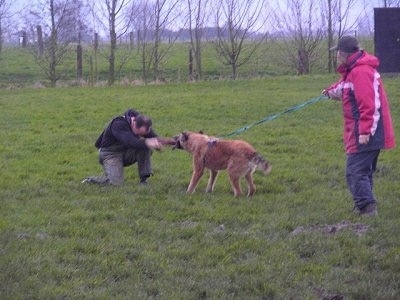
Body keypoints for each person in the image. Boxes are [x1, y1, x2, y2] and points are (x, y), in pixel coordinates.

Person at [322, 36, 395, 216]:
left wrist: (365, 132)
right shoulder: (354, 70)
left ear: (343, 53)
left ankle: (367, 209)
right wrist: (330, 92)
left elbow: (369, 105)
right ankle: (367, 207)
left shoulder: (361, 72)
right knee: (363, 171)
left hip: (367, 131)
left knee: (355, 171)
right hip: (364, 129)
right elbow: (346, 87)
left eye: (337, 52)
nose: (337, 56)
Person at [82, 108, 166, 186]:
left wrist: (174, 142)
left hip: (125, 152)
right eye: (139, 133)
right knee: (116, 183)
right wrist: (147, 142)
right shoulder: (118, 124)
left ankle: (144, 180)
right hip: (110, 155)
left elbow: (153, 137)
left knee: (144, 147)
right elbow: (129, 141)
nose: (140, 135)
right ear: (134, 124)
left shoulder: (141, 123)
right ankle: (91, 180)